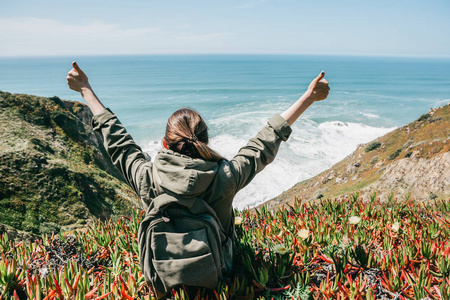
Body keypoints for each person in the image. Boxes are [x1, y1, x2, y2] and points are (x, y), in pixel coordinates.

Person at [66, 61, 329, 297]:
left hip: (160, 279)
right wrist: (308, 97)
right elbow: (263, 144)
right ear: (204, 141)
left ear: (164, 143)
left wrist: (85, 89)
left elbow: (119, 143)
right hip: (219, 277)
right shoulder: (225, 177)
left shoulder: (147, 177)